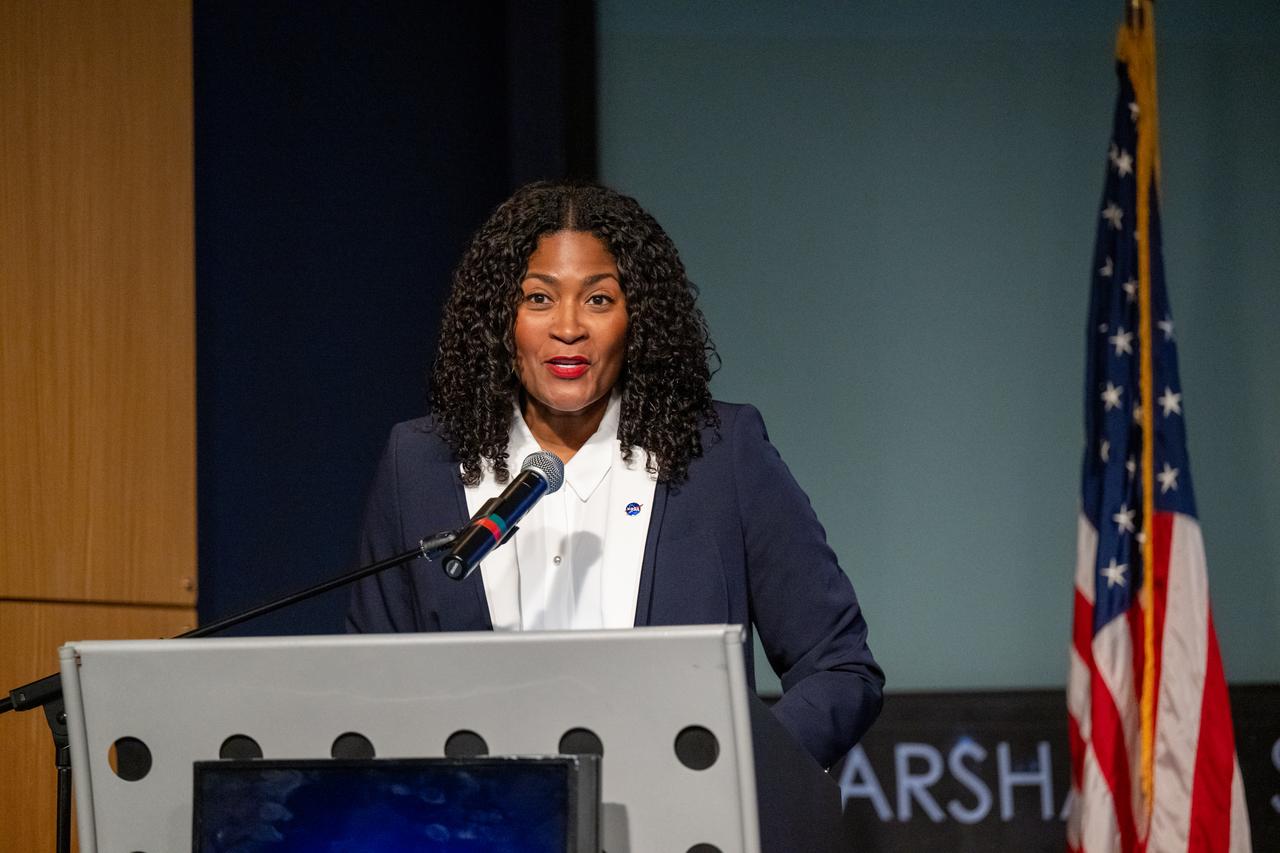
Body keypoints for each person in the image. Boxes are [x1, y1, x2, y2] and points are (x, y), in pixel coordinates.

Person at [346, 181, 883, 768]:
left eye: (599, 299)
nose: (569, 327)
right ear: (500, 318)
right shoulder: (421, 464)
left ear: (639, 319)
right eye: (539, 299)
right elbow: (369, 691)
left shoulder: (720, 456)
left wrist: (738, 778)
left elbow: (839, 667)